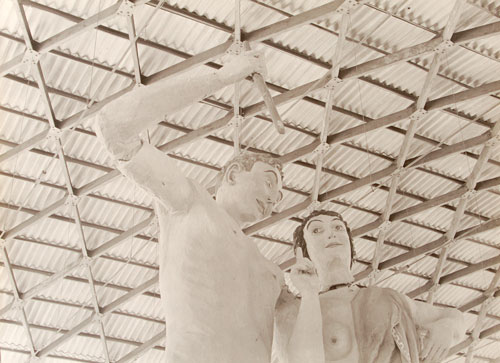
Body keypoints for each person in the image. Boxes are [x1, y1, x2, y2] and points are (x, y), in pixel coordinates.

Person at [95, 52, 285, 363]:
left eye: (279, 197)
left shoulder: (272, 273)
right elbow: (113, 128)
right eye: (269, 182)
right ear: (233, 173)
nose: (274, 198)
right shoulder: (189, 203)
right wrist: (221, 78)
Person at [273, 210, 466, 363]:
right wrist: (309, 293)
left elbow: (454, 318)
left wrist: (446, 328)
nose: (331, 234)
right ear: (303, 251)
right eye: (316, 230)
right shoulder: (296, 309)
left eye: (338, 228)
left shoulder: (386, 299)